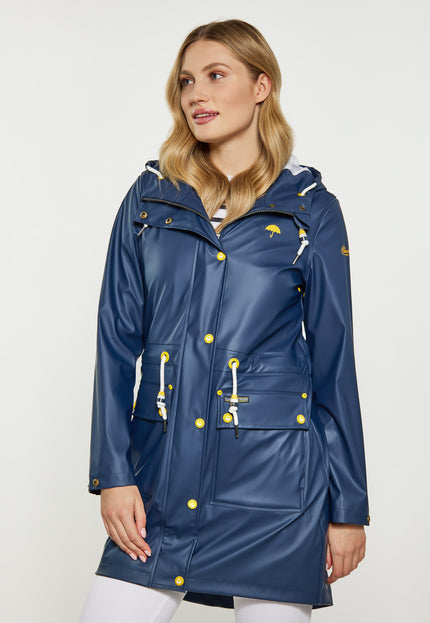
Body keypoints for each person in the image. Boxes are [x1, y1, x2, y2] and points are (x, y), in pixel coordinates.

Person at [79, 18, 370, 623]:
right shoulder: (151, 198)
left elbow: (333, 362)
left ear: (262, 87)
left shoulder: (309, 208)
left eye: (216, 76)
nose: (196, 95)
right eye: (187, 81)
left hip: (275, 488)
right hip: (160, 477)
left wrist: (348, 508)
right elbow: (115, 340)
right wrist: (113, 475)